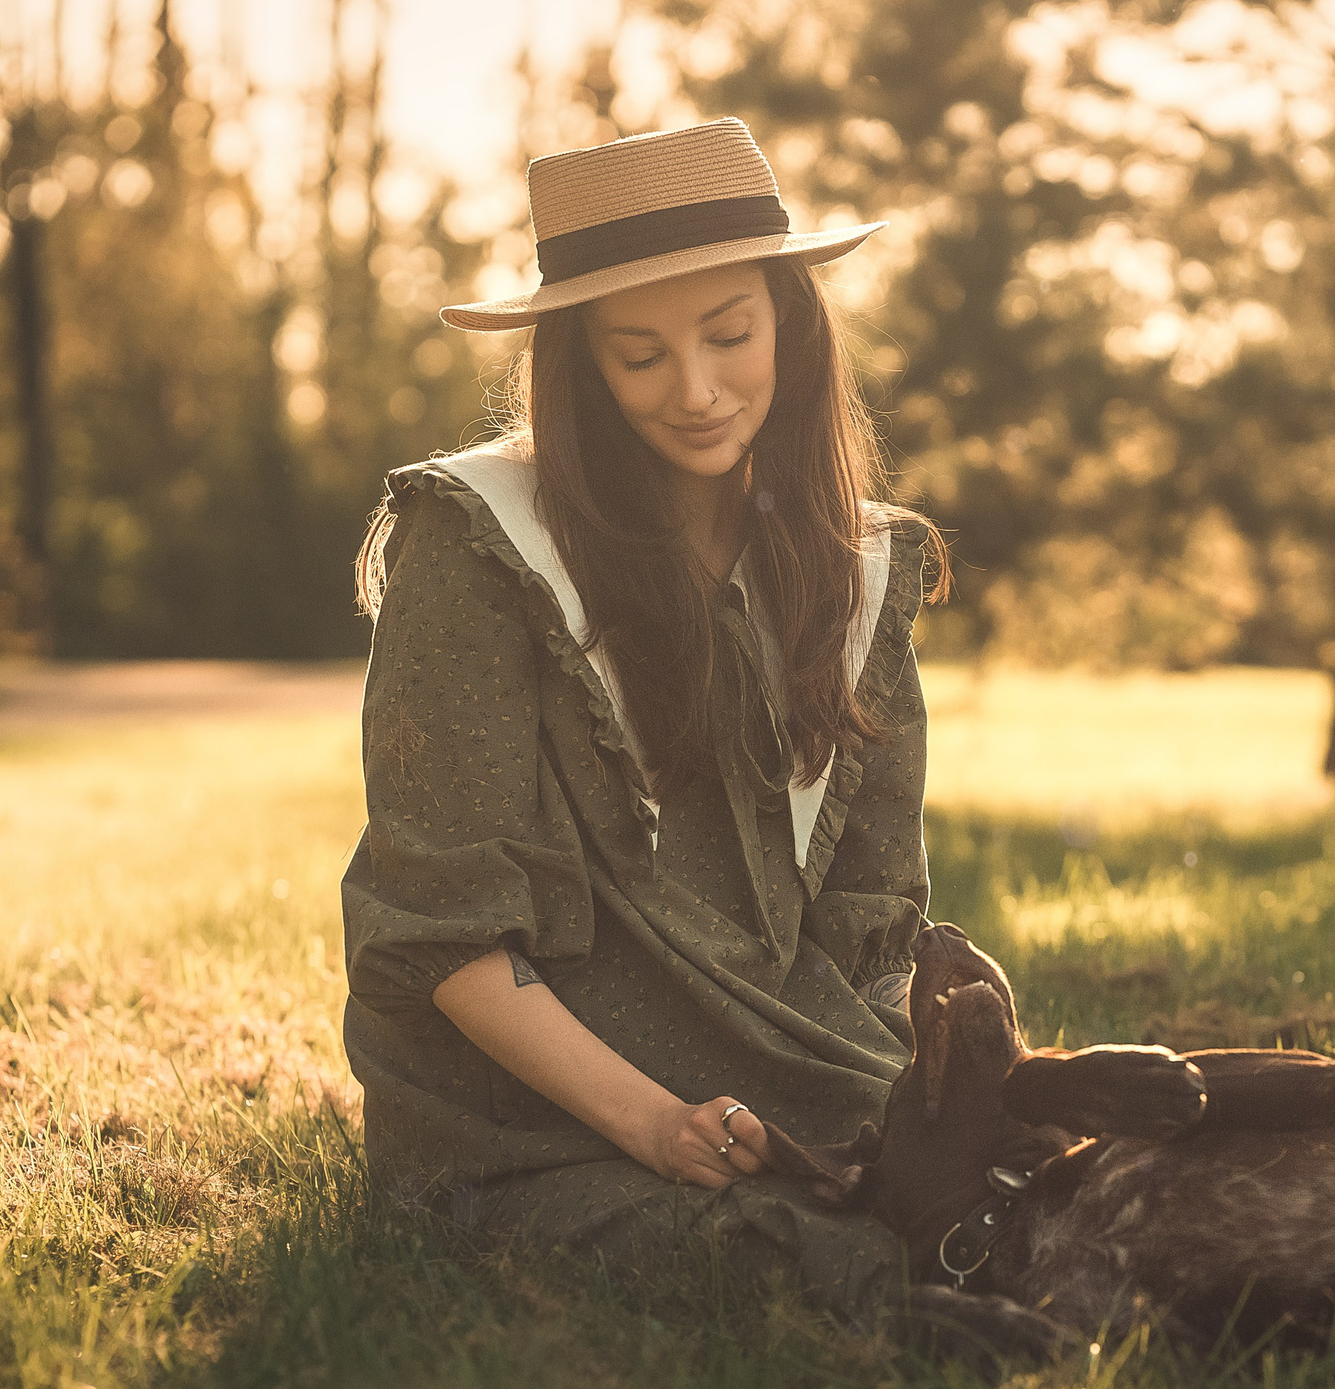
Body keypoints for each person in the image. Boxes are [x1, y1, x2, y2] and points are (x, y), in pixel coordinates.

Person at [340, 119, 947, 1315]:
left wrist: (911, 1101)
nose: (698, 391)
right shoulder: (474, 542)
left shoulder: (857, 568)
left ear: (789, 320)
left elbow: (872, 933)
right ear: (579, 366)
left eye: (730, 333)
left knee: (1029, 1200)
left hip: (790, 1066)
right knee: (837, 1272)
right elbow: (444, 934)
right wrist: (660, 1127)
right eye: (639, 355)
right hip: (530, 1114)